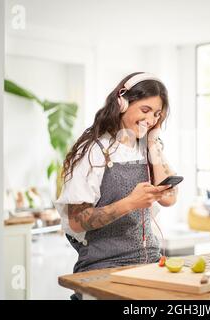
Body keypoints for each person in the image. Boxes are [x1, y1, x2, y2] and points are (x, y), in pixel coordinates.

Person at [54, 72, 178, 298]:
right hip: (104, 266)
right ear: (122, 103)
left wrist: (152, 144)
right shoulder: (93, 151)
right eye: (145, 110)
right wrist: (130, 203)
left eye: (157, 114)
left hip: (150, 263)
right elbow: (77, 220)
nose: (150, 120)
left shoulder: (147, 148)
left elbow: (169, 197)